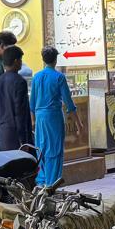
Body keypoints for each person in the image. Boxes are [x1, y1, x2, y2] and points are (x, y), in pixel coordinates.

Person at [30, 46, 79, 187]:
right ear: (56, 60)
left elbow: (31, 103)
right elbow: (69, 104)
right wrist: (79, 124)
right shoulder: (59, 77)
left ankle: (42, 181)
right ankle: (52, 183)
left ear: (43, 59)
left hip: (40, 118)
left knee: (42, 148)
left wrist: (33, 121)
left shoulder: (36, 77)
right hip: (53, 117)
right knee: (55, 150)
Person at [0, 46, 32, 153]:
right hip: (17, 135)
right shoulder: (20, 82)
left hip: (3, 133)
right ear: (16, 61)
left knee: (8, 166)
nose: (21, 63)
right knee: (21, 167)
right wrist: (23, 141)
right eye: (20, 60)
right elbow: (20, 113)